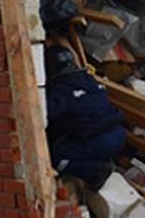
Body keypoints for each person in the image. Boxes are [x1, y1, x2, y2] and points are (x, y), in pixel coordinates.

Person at [45, 46, 126, 190]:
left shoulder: (59, 90)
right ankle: (102, 160)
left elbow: (45, 115)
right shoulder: (88, 79)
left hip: (100, 141)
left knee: (54, 157)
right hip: (119, 134)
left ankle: (96, 170)